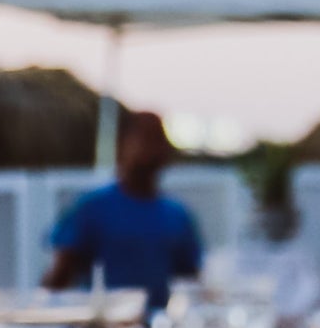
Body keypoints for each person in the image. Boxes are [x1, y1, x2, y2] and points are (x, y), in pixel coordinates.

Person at [44, 111, 204, 312]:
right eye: (144, 139)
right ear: (122, 146)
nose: (152, 149)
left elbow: (191, 282)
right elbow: (58, 278)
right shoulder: (92, 208)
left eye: (158, 139)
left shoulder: (178, 215)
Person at [215, 178, 320, 322]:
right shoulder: (241, 255)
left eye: (281, 216)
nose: (274, 221)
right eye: (268, 215)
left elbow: (311, 294)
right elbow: (229, 292)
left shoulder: (302, 258)